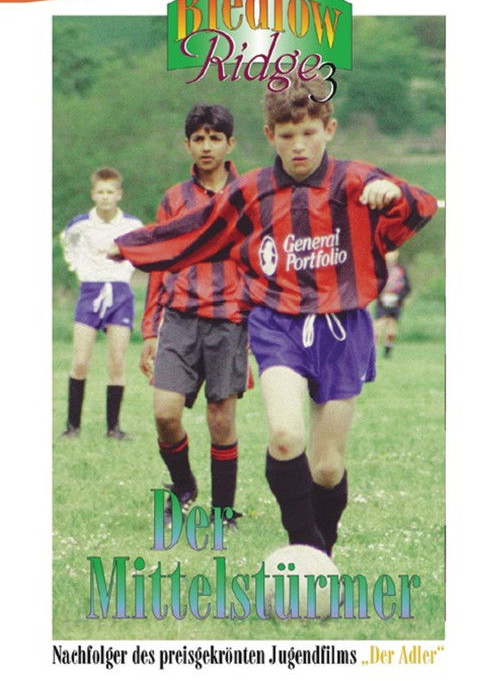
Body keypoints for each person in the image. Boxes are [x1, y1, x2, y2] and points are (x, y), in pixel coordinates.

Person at [110, 75, 437, 555]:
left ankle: (322, 552)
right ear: (269, 135)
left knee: (327, 468)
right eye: (287, 135)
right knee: (284, 437)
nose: (298, 145)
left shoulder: (356, 180)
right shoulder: (253, 191)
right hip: (277, 323)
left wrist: (393, 193)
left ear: (329, 129)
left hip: (342, 328)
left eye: (309, 133)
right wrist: (130, 247)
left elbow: (420, 207)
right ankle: (304, 545)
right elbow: (196, 230)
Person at [139, 104, 249, 527]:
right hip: (180, 319)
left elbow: (258, 262)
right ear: (187, 144)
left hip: (229, 321)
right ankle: (184, 487)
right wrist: (150, 329)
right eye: (199, 138)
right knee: (165, 414)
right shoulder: (174, 199)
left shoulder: (247, 196)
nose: (207, 146)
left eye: (215, 138)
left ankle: (223, 512)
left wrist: (256, 327)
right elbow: (159, 262)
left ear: (229, 143)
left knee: (220, 418)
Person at [60, 166, 142, 440]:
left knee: (117, 362)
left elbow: (143, 251)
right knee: (80, 361)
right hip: (90, 292)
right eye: (101, 192)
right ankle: (72, 427)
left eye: (110, 192)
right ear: (93, 194)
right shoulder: (80, 224)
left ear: (119, 194)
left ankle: (113, 428)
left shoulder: (132, 225)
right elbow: (68, 246)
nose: (105, 197)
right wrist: (82, 269)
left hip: (119, 293)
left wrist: (125, 266)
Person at [374, 250, 411, 357]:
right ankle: (373, 349)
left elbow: (407, 287)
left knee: (392, 325)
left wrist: (399, 297)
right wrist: (380, 296)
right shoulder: (380, 269)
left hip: (396, 301)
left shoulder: (401, 270)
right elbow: (375, 284)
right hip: (383, 300)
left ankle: (388, 348)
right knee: (379, 324)